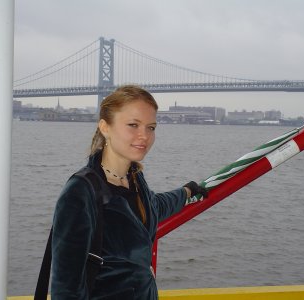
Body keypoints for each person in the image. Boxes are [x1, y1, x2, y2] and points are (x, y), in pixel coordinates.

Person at [51, 85, 207, 300]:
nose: (144, 136)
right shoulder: (80, 192)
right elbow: (65, 287)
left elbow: (153, 207)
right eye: (133, 125)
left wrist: (186, 192)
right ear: (105, 127)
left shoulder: (134, 178)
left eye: (151, 127)